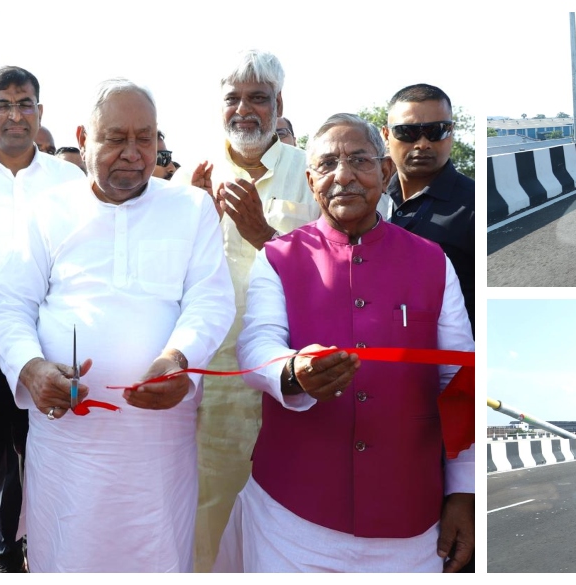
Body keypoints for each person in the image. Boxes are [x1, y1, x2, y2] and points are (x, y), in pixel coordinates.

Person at [0, 78, 234, 572]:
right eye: (117, 138)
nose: (133, 153)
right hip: (67, 441)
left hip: (159, 442)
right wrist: (31, 368)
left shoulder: (190, 207)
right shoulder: (47, 209)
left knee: (157, 554)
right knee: (68, 556)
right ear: (85, 135)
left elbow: (210, 299)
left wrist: (177, 357)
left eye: (146, 138)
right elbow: (10, 305)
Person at [214, 113, 474, 573]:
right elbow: (257, 344)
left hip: (409, 523)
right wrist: (292, 372)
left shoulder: (432, 262)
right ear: (311, 179)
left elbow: (461, 380)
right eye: (328, 163)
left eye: (359, 160)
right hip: (291, 517)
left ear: (385, 172)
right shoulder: (278, 256)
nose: (344, 175)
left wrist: (464, 492)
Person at [189, 48, 322, 572]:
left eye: (258, 99)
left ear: (279, 103)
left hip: (293, 379)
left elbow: (337, 270)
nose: (244, 110)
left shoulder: (314, 172)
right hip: (214, 383)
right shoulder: (193, 179)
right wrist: (190, 221)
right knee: (210, 514)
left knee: (289, 516)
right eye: (233, 98)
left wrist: (267, 237)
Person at [0, 65, 84, 574]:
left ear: (40, 113)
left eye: (25, 105)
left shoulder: (70, 181)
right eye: (4, 105)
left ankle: (21, 557)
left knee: (39, 462)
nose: (15, 116)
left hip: (44, 350)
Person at [383, 84, 474, 335]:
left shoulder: (475, 207)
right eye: (407, 132)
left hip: (451, 365)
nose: (422, 144)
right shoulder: (368, 201)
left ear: (451, 133)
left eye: (436, 131)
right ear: (385, 135)